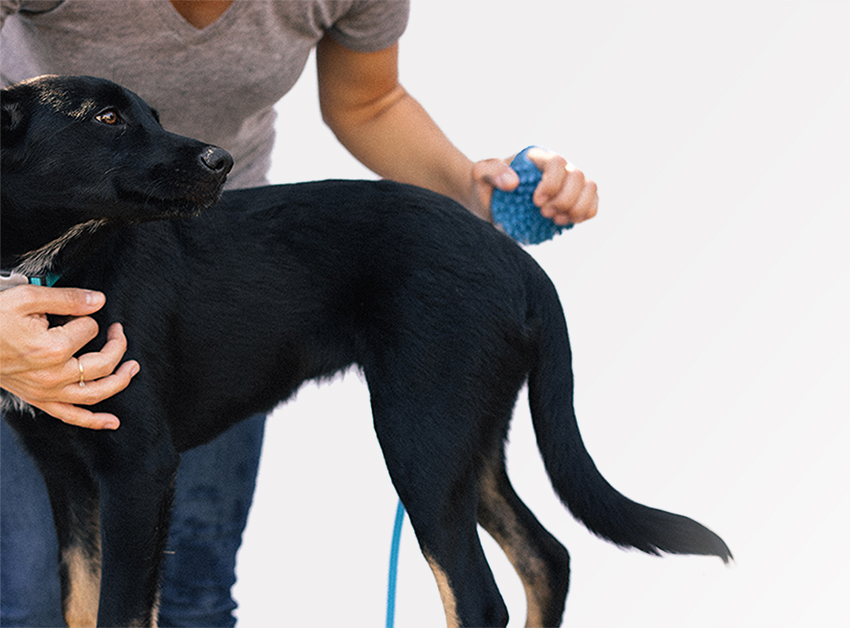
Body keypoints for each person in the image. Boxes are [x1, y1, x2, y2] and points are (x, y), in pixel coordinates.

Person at [0, 1, 599, 625]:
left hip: (218, 254)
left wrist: (478, 187)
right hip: (30, 227)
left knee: (196, 588)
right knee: (23, 591)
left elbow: (370, 101)